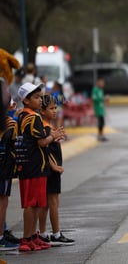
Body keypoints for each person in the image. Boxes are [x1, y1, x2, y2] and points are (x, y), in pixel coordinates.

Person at [16, 83, 65, 252]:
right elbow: (41, 142)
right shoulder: (33, 117)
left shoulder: (23, 115)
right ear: (26, 100)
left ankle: (33, 236)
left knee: (36, 203)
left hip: (32, 165)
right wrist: (53, 135)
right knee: (31, 204)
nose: (39, 100)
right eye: (36, 97)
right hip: (33, 165)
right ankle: (27, 238)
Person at [38, 94, 74, 246]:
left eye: (55, 108)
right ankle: (56, 233)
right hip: (50, 169)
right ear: (42, 110)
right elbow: (45, 150)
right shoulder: (45, 127)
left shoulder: (49, 126)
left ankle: (43, 233)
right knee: (52, 202)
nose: (54, 111)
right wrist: (54, 166)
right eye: (51, 108)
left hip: (51, 168)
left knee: (48, 202)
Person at [0, 98, 20, 251]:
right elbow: (13, 141)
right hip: (4, 166)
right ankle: (1, 237)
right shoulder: (10, 123)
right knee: (2, 201)